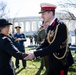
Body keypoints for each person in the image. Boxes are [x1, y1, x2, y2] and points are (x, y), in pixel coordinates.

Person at [25, 3, 74, 75]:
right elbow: (46, 42)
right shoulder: (51, 26)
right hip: (51, 61)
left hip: (60, 62)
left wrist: (35, 54)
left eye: (43, 14)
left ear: (50, 13)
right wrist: (35, 50)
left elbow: (54, 47)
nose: (41, 16)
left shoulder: (60, 26)